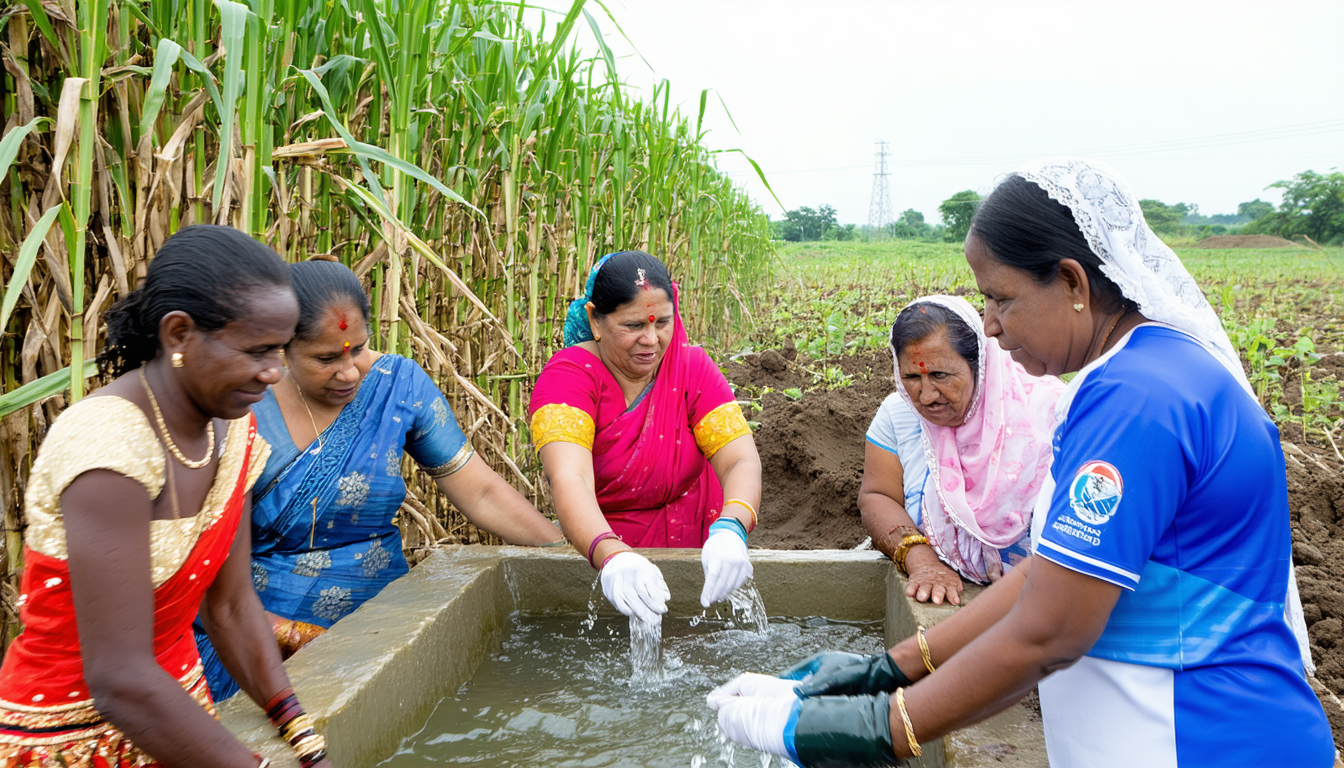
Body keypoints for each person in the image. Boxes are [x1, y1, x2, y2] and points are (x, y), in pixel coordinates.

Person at [706, 159, 1333, 767]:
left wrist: (879, 727)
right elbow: (1046, 576)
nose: (992, 328)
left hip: (1201, 738)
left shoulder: (1137, 402)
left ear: (1072, 283)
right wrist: (886, 670)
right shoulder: (1140, 375)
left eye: (1001, 299)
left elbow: (1050, 627)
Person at [0, 226, 332, 768]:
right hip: (65, 741)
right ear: (179, 334)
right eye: (256, 351)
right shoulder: (108, 445)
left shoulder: (234, 432)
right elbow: (118, 677)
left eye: (280, 350)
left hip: (181, 721)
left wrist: (301, 735)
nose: (274, 373)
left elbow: (230, 606)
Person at [195, 258, 563, 701]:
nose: (349, 371)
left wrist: (569, 558)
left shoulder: (397, 384)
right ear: (282, 349)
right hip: (266, 636)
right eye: (326, 358)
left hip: (383, 624)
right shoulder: (243, 412)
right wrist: (293, 636)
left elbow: (482, 491)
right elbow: (201, 561)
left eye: (359, 349)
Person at [529, 251, 761, 623]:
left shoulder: (690, 369)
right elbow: (570, 477)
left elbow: (740, 460)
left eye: (663, 323)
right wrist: (612, 554)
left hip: (700, 552)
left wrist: (732, 526)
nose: (651, 340)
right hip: (613, 566)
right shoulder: (569, 379)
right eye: (634, 325)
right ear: (595, 319)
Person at [861, 296, 1062, 605]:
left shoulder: (1049, 412)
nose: (926, 396)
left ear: (979, 364)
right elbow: (877, 496)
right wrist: (921, 559)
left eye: (940, 375)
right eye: (911, 377)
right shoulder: (899, 414)